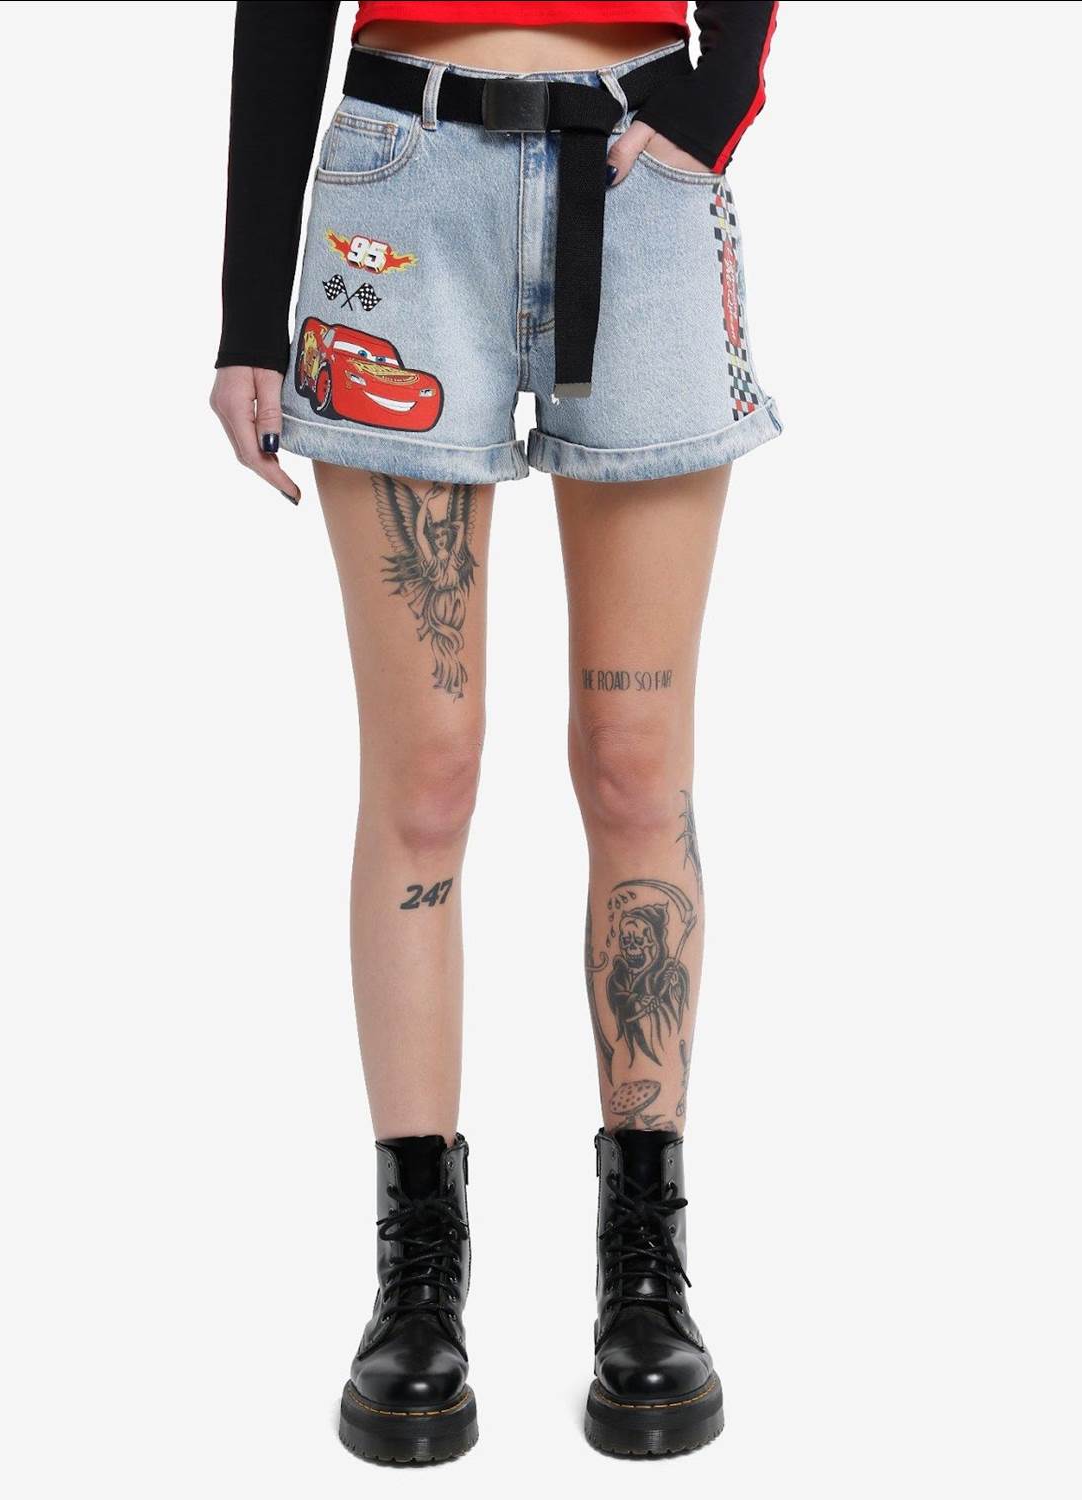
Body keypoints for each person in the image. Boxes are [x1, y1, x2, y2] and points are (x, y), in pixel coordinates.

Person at [211, 0, 780, 1463]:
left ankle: (644, 1264)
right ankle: (417, 1274)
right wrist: (243, 312)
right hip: (397, 187)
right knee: (425, 777)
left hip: (640, 174)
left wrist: (719, 90)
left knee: (637, 767)